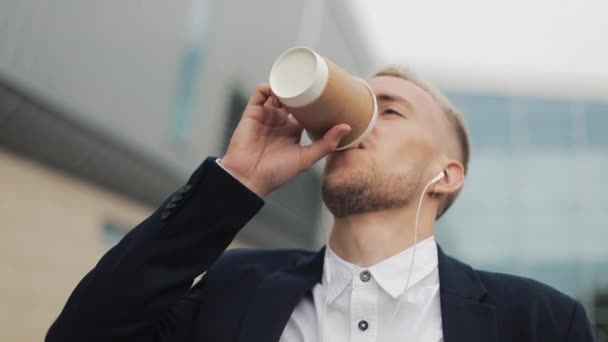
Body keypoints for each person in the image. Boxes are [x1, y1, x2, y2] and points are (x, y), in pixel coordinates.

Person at [46, 66, 594, 342]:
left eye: (390, 112)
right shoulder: (232, 287)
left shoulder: (539, 320)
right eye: (353, 105)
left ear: (446, 175)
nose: (352, 126)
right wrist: (238, 179)